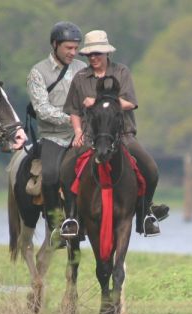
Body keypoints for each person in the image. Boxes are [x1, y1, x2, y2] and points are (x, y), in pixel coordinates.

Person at [61, 29, 169, 238]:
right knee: (65, 169)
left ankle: (146, 214)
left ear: (106, 53)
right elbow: (73, 109)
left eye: (97, 54)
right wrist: (77, 132)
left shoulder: (122, 72)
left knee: (151, 169)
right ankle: (71, 218)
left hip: (123, 135)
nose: (93, 58)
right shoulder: (80, 78)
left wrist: (100, 102)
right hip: (91, 136)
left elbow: (131, 103)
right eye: (89, 55)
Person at [26, 21, 87, 240]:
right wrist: (73, 120)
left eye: (76, 48)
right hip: (54, 136)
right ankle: (55, 228)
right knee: (51, 177)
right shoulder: (38, 72)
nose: (74, 52)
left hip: (84, 134)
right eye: (68, 48)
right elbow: (42, 110)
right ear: (55, 45)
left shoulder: (83, 69)